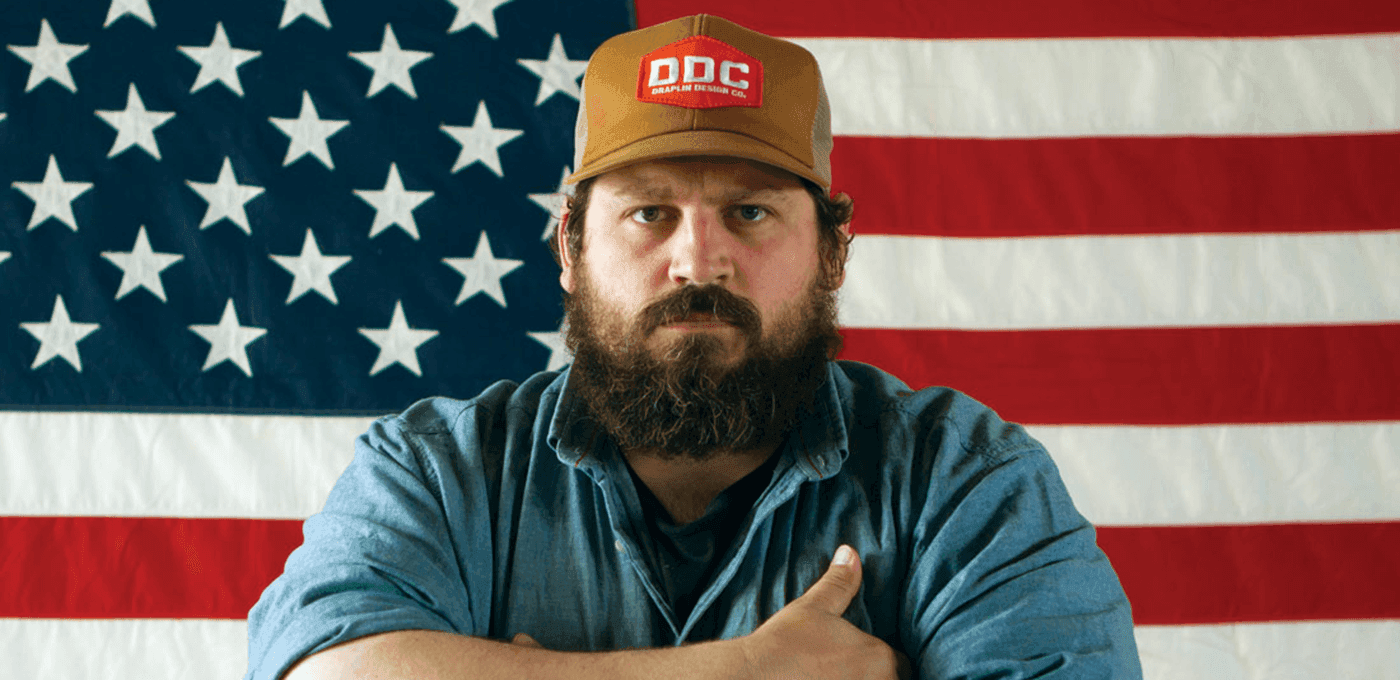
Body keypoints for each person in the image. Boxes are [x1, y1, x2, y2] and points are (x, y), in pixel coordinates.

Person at [246, 14, 1142, 680]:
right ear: (570, 246)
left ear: (833, 251)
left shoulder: (964, 482)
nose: (696, 261)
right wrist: (749, 671)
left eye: (750, 212)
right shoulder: (441, 473)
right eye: (649, 212)